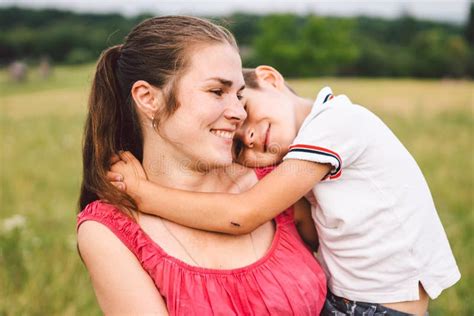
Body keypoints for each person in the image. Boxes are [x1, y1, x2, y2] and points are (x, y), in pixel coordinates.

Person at [109, 65, 461, 315]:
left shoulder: (336, 124)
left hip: (374, 308)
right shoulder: (309, 147)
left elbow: (243, 215)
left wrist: (143, 194)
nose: (245, 135)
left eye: (245, 110)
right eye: (237, 149)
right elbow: (307, 228)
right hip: (355, 302)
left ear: (269, 78)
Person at [77, 17, 327, 315]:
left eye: (239, 95)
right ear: (148, 98)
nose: (237, 112)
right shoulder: (110, 231)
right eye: (217, 92)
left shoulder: (274, 180)